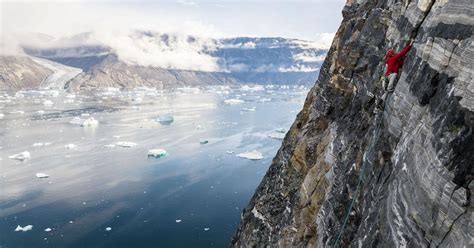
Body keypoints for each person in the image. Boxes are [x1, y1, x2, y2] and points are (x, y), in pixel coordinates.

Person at [376, 38, 414, 110]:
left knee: (386, 92)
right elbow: (402, 53)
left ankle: (380, 103)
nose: (395, 52)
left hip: (386, 76)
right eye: (394, 52)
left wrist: (404, 59)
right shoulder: (393, 58)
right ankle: (384, 97)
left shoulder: (390, 60)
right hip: (391, 75)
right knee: (390, 88)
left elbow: (400, 64)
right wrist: (410, 44)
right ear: (392, 54)